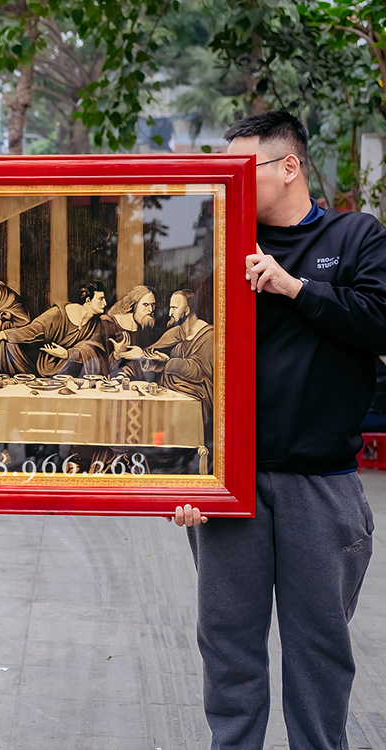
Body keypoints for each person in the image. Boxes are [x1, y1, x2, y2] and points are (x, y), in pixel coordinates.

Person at [172, 111, 384, 750]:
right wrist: (181, 478)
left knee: (319, 647)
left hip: (321, 482)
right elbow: (186, 362)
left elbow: (379, 320)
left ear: (289, 166)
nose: (230, 181)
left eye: (244, 168)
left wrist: (297, 288)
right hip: (229, 483)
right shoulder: (216, 245)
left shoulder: (355, 235)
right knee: (227, 645)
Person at [0, 280, 107, 377]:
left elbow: (96, 350)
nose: (105, 303)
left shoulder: (96, 324)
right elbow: (33, 329)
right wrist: (2, 334)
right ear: (88, 300)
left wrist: (68, 354)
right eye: (100, 299)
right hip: (49, 368)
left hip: (76, 372)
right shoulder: (57, 314)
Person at [143, 289, 214, 435]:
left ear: (187, 310)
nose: (170, 313)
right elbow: (151, 351)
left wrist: (167, 362)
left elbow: (198, 371)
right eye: (170, 308)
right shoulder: (177, 332)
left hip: (193, 399)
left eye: (174, 308)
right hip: (169, 395)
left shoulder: (209, 335)